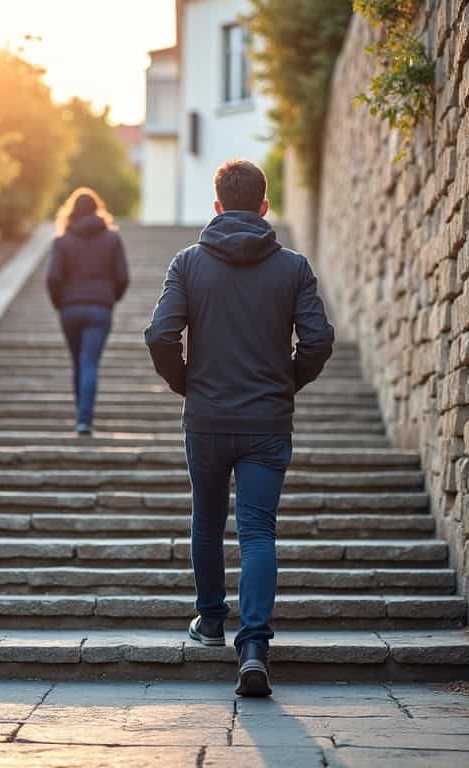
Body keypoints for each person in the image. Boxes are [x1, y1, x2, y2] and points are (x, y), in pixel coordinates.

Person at [143, 159, 335, 697]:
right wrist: (285, 384)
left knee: (207, 520)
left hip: (206, 418)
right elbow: (318, 340)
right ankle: (253, 648)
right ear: (265, 207)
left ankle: (210, 623)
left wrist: (187, 385)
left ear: (218, 206)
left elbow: (161, 334)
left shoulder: (188, 264)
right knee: (257, 529)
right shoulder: (293, 267)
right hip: (267, 420)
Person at [46, 187, 130, 436]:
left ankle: (81, 417)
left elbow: (52, 278)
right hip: (100, 309)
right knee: (89, 361)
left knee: (78, 362)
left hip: (70, 309)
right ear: (97, 210)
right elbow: (123, 277)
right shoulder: (113, 239)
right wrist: (110, 299)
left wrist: (60, 303)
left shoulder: (61, 241)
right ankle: (84, 420)